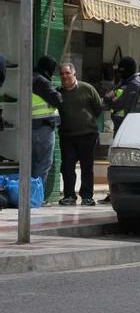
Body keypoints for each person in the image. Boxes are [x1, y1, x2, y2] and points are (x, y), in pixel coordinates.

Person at [57, 63, 103, 207]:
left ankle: (87, 197)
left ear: (74, 74)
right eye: (62, 74)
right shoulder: (58, 92)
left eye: (67, 73)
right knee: (67, 167)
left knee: (87, 167)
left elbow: (98, 109)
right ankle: (69, 196)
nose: (65, 76)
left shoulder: (87, 89)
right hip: (67, 136)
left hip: (87, 135)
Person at [101, 56, 140, 204]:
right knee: (116, 160)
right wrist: (110, 100)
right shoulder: (124, 83)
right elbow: (108, 100)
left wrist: (111, 100)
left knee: (123, 162)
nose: (119, 73)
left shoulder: (134, 85)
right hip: (119, 127)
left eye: (121, 70)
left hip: (128, 129)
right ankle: (114, 190)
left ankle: (121, 190)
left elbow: (117, 104)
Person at [32, 55, 62, 192]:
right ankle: (36, 195)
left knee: (32, 163)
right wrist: (59, 93)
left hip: (30, 128)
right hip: (43, 128)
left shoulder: (29, 78)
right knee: (43, 163)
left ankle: (28, 195)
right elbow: (57, 100)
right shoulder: (41, 81)